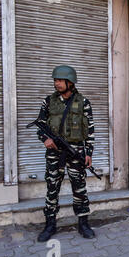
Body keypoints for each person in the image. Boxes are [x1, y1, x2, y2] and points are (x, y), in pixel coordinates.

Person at [36, 65, 96, 242]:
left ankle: (83, 223)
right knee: (52, 187)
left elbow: (90, 131)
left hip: (76, 151)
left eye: (60, 80)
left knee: (80, 188)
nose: (57, 83)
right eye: (55, 80)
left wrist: (88, 153)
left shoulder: (83, 102)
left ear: (70, 82)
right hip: (55, 153)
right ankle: (50, 224)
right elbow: (39, 125)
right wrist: (45, 139)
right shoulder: (48, 101)